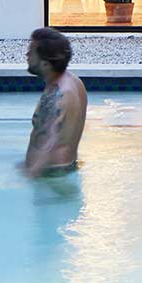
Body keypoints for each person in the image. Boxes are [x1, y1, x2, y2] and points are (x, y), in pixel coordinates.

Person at [23, 27, 87, 177]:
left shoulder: (56, 95)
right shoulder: (75, 82)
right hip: (65, 170)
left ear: (45, 63)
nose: (26, 55)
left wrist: (30, 175)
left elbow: (50, 139)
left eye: (31, 52)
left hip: (49, 176)